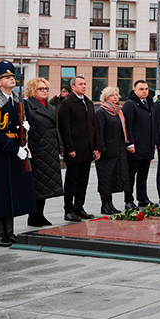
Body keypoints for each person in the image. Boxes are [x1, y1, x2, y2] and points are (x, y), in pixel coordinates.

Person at [0, 61, 35, 247]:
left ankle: (9, 231)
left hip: (16, 153)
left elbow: (29, 126)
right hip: (1, 152)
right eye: (7, 77)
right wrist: (14, 149)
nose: (12, 79)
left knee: (11, 192)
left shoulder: (19, 102)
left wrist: (29, 128)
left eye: (12, 76)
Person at [58, 76, 100, 222]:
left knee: (83, 181)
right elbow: (64, 128)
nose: (83, 86)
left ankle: (79, 207)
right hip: (74, 149)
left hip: (87, 149)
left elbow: (93, 127)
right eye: (80, 84)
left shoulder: (88, 102)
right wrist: (69, 147)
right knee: (71, 181)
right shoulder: (67, 104)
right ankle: (68, 210)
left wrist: (96, 147)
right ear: (73, 87)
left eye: (85, 83)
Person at [23, 78, 64, 227]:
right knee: (38, 185)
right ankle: (33, 216)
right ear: (33, 90)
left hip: (49, 150)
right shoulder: (28, 105)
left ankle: (40, 215)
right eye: (41, 89)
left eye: (46, 88)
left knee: (45, 186)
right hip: (38, 151)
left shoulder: (49, 106)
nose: (45, 91)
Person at [95, 87, 130, 215]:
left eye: (116, 95)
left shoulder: (118, 112)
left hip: (118, 150)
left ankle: (110, 204)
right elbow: (99, 132)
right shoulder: (102, 112)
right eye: (112, 95)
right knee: (105, 179)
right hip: (106, 152)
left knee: (114, 178)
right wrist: (100, 149)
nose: (115, 97)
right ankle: (104, 205)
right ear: (105, 98)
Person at [122, 80, 155, 209]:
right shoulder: (130, 104)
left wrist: (154, 142)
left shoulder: (149, 103)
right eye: (141, 89)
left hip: (147, 145)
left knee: (143, 175)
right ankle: (128, 200)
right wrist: (130, 143)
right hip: (135, 146)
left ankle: (143, 198)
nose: (145, 91)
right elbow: (128, 125)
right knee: (131, 175)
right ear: (135, 90)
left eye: (146, 89)